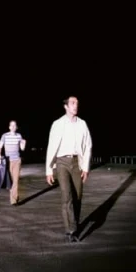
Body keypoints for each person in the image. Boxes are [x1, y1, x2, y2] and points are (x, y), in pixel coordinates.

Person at [46, 96, 92, 242]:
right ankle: (70, 230)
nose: (75, 105)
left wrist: (85, 168)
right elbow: (51, 147)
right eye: (72, 103)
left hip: (76, 162)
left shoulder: (82, 124)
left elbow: (88, 145)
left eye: (77, 103)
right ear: (66, 106)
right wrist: (49, 169)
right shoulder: (57, 124)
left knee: (77, 196)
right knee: (67, 196)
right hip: (61, 163)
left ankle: (75, 225)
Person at [0, 120, 26, 205]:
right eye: (11, 125)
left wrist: (24, 143)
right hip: (8, 161)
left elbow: (22, 149)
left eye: (14, 125)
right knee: (11, 181)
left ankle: (13, 200)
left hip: (17, 160)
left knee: (15, 180)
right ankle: (14, 196)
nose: (13, 127)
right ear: (9, 127)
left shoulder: (19, 136)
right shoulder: (5, 136)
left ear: (16, 127)